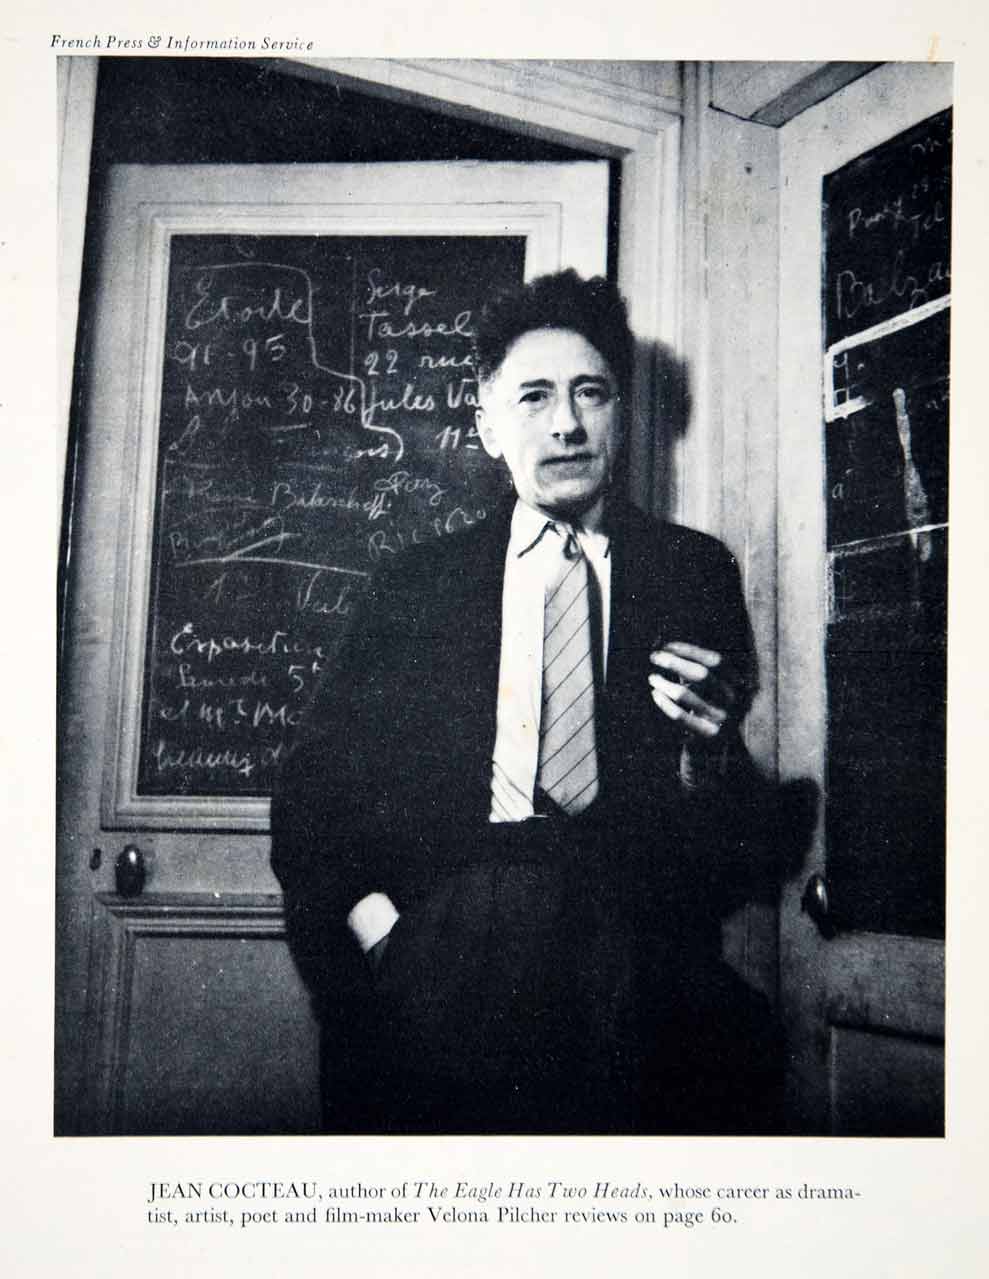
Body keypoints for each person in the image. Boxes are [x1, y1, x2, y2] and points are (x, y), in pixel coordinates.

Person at [271, 270, 782, 1135]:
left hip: (634, 975)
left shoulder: (694, 572)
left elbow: (724, 842)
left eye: (591, 393)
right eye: (535, 396)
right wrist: (387, 941)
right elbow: (312, 796)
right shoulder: (411, 586)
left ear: (621, 413)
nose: (567, 424)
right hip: (446, 958)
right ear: (488, 425)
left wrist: (710, 756)